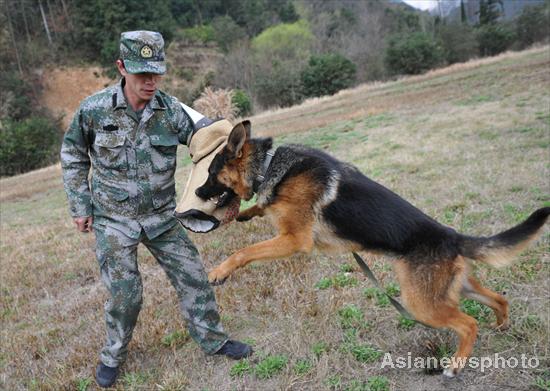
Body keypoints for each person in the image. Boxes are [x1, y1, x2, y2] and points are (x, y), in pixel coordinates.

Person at [60, 30, 252, 388]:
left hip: (162, 216)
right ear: (121, 68)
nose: (150, 82)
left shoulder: (172, 112)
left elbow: (211, 144)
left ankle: (214, 340)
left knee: (195, 277)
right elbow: (72, 154)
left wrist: (231, 190)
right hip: (113, 219)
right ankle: (113, 355)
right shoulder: (94, 109)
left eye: (156, 73)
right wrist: (79, 204)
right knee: (125, 295)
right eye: (141, 74)